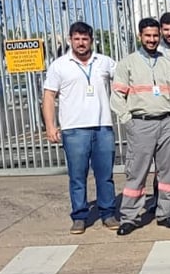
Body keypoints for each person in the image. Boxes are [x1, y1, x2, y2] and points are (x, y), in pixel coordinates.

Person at [42, 21, 118, 234]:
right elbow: (49, 96)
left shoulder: (104, 62)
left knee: (105, 176)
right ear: (70, 40)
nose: (81, 43)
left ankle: (108, 213)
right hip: (74, 130)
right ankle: (79, 216)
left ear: (91, 40)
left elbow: (124, 81)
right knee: (77, 176)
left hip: (102, 127)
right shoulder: (59, 65)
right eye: (76, 39)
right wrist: (50, 126)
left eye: (85, 39)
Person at [111, 17, 170, 235]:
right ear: (140, 36)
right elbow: (117, 96)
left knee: (168, 172)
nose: (152, 39)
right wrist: (128, 121)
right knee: (137, 172)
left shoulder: (167, 64)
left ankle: (165, 213)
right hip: (141, 123)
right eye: (147, 36)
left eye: (155, 35)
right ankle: (130, 217)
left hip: (167, 122)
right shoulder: (127, 63)